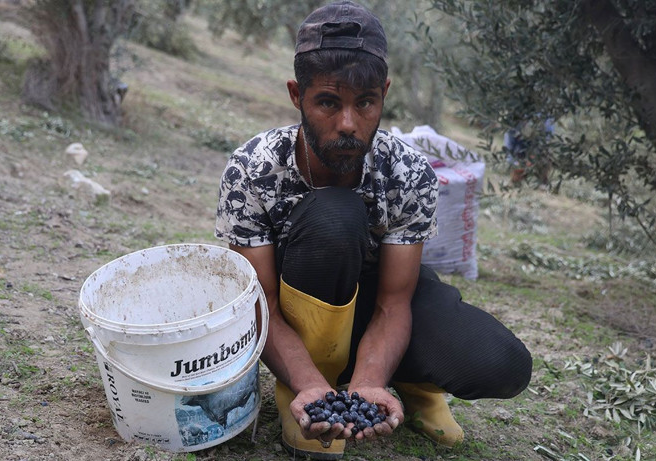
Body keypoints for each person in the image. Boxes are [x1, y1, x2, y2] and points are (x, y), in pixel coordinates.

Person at [214, 2, 533, 459]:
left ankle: (406, 382)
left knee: (501, 363)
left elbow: (394, 301)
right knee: (333, 215)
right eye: (328, 101)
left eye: (365, 102)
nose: (348, 123)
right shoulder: (252, 169)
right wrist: (309, 384)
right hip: (299, 305)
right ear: (295, 94)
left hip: (375, 300)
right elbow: (260, 305)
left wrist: (367, 381)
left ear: (383, 93)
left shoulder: (409, 172)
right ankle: (305, 394)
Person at [504, 118, 554, 185]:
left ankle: (543, 182)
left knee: (546, 154)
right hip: (520, 152)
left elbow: (547, 139)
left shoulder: (544, 117)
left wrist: (534, 157)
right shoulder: (514, 120)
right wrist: (517, 162)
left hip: (537, 151)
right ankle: (515, 181)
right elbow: (509, 146)